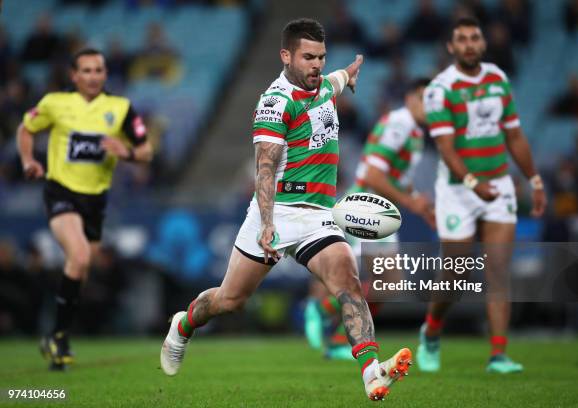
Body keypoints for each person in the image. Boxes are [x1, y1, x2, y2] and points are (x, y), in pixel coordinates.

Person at [160, 18, 411, 401]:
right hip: (278, 212)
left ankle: (371, 373)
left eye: (322, 57)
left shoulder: (323, 85)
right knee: (230, 300)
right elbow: (264, 168)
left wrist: (349, 73)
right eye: (308, 57)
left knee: (348, 282)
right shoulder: (275, 103)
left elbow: (336, 80)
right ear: (286, 56)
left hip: (320, 216)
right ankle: (184, 325)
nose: (317, 65)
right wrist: (266, 224)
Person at [417, 17, 547, 374]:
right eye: (462, 39)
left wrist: (533, 179)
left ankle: (498, 355)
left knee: (498, 270)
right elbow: (445, 148)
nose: (470, 44)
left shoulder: (497, 78)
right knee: (456, 273)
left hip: (499, 184)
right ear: (451, 47)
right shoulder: (440, 89)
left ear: (483, 44)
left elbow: (515, 136)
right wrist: (474, 183)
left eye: (475, 38)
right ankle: (432, 329)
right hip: (459, 191)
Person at [16, 48, 153, 370]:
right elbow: (25, 129)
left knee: (82, 267)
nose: (93, 76)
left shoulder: (120, 109)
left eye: (99, 70)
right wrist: (27, 160)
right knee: (78, 257)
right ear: (74, 75)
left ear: (106, 74)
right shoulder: (55, 103)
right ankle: (59, 336)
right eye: (86, 71)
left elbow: (146, 150)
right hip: (61, 191)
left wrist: (127, 152)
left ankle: (55, 333)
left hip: (96, 199)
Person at [304, 78, 436, 359]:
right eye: (426, 98)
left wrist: (421, 204)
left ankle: (339, 336)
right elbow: (374, 176)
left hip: (381, 207)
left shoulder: (414, 132)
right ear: (411, 97)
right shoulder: (398, 123)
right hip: (364, 204)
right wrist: (411, 202)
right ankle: (324, 311)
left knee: (390, 282)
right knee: (356, 276)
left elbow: (395, 178)